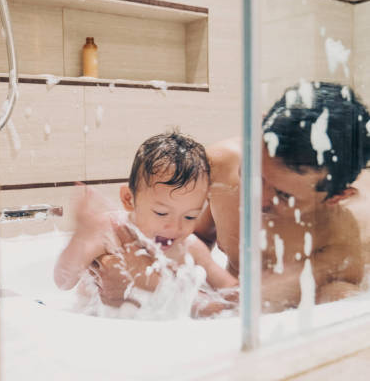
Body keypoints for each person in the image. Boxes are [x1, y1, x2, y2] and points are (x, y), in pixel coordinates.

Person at [94, 82, 370, 313]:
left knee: (342, 298)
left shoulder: (337, 244)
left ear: (335, 198)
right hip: (212, 307)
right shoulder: (219, 165)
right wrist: (125, 263)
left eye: (285, 195)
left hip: (264, 322)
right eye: (253, 175)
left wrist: (145, 284)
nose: (258, 199)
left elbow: (247, 306)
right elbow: (190, 241)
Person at [53, 131, 238, 312]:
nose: (176, 227)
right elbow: (63, 282)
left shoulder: (190, 248)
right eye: (161, 213)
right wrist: (80, 239)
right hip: (97, 322)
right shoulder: (109, 232)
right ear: (128, 199)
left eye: (190, 216)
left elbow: (233, 292)